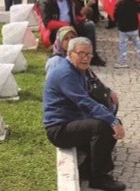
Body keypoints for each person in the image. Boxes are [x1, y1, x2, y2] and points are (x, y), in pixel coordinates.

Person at [43, 37, 127, 191]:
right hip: (59, 129)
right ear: (70, 53)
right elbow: (84, 102)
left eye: (89, 54)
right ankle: (99, 178)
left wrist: (109, 97)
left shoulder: (79, 69)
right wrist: (112, 121)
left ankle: (87, 169)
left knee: (109, 124)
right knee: (103, 127)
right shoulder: (66, 73)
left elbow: (95, 86)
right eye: (81, 53)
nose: (85, 58)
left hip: (73, 121)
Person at [38, 0, 106, 66]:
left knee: (89, 25)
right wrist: (64, 25)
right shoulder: (46, 1)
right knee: (66, 32)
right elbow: (48, 23)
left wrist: (83, 18)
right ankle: (67, 57)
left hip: (72, 25)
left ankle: (92, 56)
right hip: (57, 29)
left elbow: (77, 14)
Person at [113, 0, 140, 68]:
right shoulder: (135, 3)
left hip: (123, 29)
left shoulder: (119, 4)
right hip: (133, 28)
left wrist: (117, 22)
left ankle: (123, 61)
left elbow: (115, 15)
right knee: (137, 43)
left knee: (123, 45)